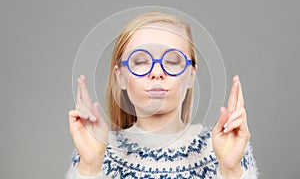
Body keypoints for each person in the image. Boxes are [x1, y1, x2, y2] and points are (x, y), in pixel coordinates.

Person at [65, 12, 258, 178]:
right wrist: (90, 168)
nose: (157, 72)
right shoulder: (97, 149)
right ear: (120, 77)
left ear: (191, 75)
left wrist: (231, 171)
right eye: (140, 61)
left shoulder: (224, 148)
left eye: (172, 62)